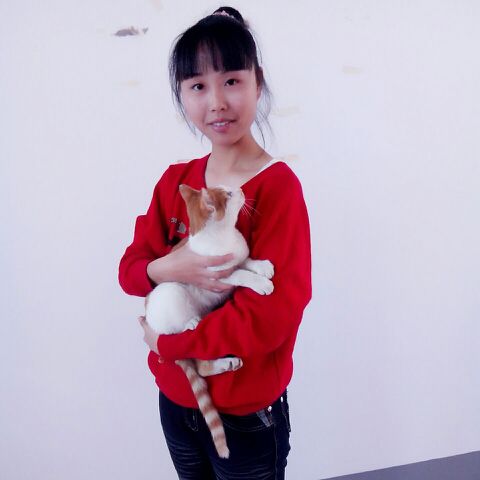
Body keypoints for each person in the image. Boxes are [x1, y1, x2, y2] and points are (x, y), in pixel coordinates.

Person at [118, 6, 311, 479]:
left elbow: (271, 315)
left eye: (231, 80)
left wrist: (172, 343)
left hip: (246, 413)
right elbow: (130, 271)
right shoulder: (177, 183)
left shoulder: (277, 187)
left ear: (257, 83)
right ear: (181, 94)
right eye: (198, 86)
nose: (217, 101)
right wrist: (166, 269)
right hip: (175, 399)